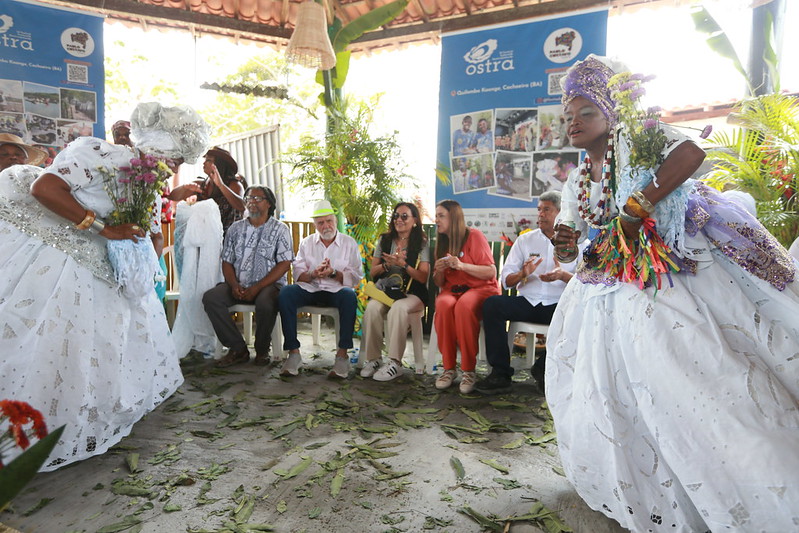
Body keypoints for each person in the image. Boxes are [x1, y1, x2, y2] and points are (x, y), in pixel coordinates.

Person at [548, 55, 799, 532]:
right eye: (567, 116)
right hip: (609, 285)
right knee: (614, 385)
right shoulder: (577, 178)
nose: (573, 123)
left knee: (692, 372)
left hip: (672, 264)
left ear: (609, 110)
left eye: (585, 112)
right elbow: (571, 240)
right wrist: (563, 241)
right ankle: (647, 482)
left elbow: (690, 154)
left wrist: (638, 205)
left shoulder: (634, 137)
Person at [0, 102, 210, 471]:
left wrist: (140, 248)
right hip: (61, 260)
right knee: (51, 347)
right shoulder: (95, 151)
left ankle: (86, 417)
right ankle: (35, 431)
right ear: (159, 147)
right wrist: (103, 229)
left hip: (104, 268)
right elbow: (45, 187)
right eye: (175, 158)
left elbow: (141, 229)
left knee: (98, 349)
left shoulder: (145, 178)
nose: (175, 168)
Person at [475, 190, 578, 394]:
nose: (540, 214)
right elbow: (506, 280)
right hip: (528, 302)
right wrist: (523, 273)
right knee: (492, 305)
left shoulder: (577, 243)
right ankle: (500, 373)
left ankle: (543, 368)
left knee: (581, 315)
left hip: (558, 305)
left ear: (560, 212)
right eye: (539, 209)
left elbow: (585, 284)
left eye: (546, 210)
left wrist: (562, 275)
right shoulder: (526, 241)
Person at [203, 186, 294, 368]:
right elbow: (227, 261)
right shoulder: (235, 229)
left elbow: (284, 263)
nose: (251, 202)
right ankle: (238, 348)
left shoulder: (280, 229)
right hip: (237, 284)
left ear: (269, 203)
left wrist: (257, 287)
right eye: (248, 198)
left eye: (257, 199)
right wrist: (234, 284)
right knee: (211, 298)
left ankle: (262, 350)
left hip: (269, 286)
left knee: (265, 302)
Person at [278, 200, 364, 379]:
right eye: (321, 223)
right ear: (315, 225)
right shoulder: (306, 243)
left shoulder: (349, 243)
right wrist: (313, 273)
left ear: (335, 220)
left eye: (329, 221)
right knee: (286, 293)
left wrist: (333, 273)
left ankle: (342, 355)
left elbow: (356, 277)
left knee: (349, 295)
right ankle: (294, 353)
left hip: (336, 292)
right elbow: (298, 273)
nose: (326, 226)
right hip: (311, 288)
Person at [432, 200, 500, 394]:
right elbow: (439, 283)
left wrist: (461, 265)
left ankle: (469, 369)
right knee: (443, 304)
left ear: (454, 217)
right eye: (436, 216)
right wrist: (438, 271)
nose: (436, 220)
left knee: (465, 305)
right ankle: (449, 368)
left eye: (441, 215)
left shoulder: (474, 236)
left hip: (481, 288)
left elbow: (490, 272)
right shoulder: (442, 242)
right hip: (453, 291)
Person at [359, 202, 430, 381]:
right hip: (387, 291)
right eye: (396, 216)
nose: (399, 220)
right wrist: (387, 265)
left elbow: (422, 277)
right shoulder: (385, 240)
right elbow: (373, 272)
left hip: (412, 294)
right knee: (372, 308)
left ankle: (394, 363)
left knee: (398, 308)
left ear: (414, 220)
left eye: (404, 216)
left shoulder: (421, 243)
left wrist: (403, 265)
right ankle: (374, 359)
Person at [169, 146, 245, 234]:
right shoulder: (202, 184)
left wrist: (221, 185)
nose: (204, 163)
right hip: (207, 239)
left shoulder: (234, 184)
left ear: (218, 164)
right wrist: (185, 187)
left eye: (208, 160)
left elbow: (241, 206)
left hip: (230, 238)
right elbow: (172, 196)